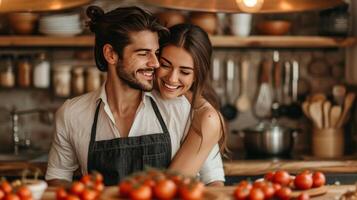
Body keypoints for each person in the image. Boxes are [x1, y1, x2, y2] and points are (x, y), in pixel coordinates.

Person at [45, 6, 224, 186]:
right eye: (144, 53)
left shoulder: (182, 109)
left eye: (156, 53)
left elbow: (213, 181)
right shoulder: (71, 114)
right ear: (111, 54)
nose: (155, 63)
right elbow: (58, 176)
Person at [157, 24, 227, 183]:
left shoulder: (203, 115)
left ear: (197, 75)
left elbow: (213, 178)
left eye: (185, 72)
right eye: (165, 65)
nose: (172, 78)